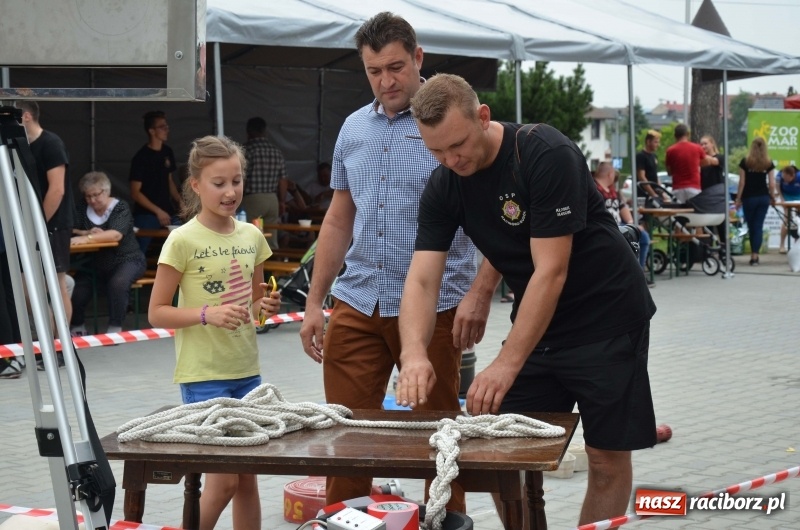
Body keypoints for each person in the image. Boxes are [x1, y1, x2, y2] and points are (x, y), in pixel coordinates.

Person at [395, 73, 657, 526]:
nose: (450, 159)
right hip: (542, 325)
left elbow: (550, 270)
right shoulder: (444, 184)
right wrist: (414, 352)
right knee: (503, 451)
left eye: (456, 145)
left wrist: (506, 363)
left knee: (605, 458)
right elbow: (420, 280)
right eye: (435, 150)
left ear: (483, 116)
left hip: (608, 318)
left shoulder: (543, 153)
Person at [298, 12, 493, 512]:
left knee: (439, 438)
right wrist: (315, 301)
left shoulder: (449, 122)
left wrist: (478, 292)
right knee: (345, 438)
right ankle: (344, 522)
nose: (386, 81)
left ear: (418, 58)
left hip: (437, 305)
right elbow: (340, 219)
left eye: (396, 67)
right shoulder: (353, 128)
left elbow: (489, 214)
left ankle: (445, 523)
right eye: (374, 71)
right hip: (359, 299)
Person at [148, 135, 281, 530]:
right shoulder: (182, 239)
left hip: (248, 374)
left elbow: (255, 309)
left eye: (237, 181)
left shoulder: (252, 236)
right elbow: (157, 312)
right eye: (219, 183)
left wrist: (266, 309)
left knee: (248, 482)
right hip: (204, 377)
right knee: (222, 483)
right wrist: (206, 314)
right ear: (195, 185)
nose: (230, 192)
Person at [17, 101, 72, 368]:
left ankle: (60, 348)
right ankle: (45, 343)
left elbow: (57, 190)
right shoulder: (19, 146)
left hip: (52, 225)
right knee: (28, 287)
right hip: (30, 225)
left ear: (26, 116)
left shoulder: (51, 143)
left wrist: (35, 224)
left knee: (56, 286)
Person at [69, 172, 146, 336]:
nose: (92, 200)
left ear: (106, 191)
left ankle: (115, 327)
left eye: (96, 195)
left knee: (118, 283)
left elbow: (116, 234)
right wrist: (85, 232)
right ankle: (77, 326)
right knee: (78, 287)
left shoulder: (120, 207)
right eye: (88, 196)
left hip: (127, 259)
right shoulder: (83, 208)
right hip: (94, 262)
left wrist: (88, 238)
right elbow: (71, 229)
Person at [129, 110, 182, 255]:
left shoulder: (167, 151)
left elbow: (169, 179)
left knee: (184, 241)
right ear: (151, 131)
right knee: (140, 250)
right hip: (146, 214)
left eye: (167, 126)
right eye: (162, 126)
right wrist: (157, 211)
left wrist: (179, 200)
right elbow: (135, 192)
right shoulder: (141, 158)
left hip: (168, 211)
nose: (167, 129)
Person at [593, 162, 654, 287]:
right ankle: (631, 276)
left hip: (617, 226)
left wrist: (632, 223)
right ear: (610, 174)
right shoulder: (594, 189)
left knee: (642, 236)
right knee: (628, 239)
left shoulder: (612, 191)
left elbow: (622, 207)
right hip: (604, 229)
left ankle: (638, 273)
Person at [241, 116, 287, 250]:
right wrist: (282, 201)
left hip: (253, 198)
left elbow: (240, 177)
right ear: (265, 131)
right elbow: (283, 179)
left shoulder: (246, 150)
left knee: (251, 237)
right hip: (272, 199)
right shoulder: (276, 151)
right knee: (271, 238)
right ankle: (271, 268)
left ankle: (254, 269)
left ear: (248, 132)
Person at [736, 137, 776, 265]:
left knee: (751, 226)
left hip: (749, 197)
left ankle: (753, 255)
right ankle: (755, 255)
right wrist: (773, 197)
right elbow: (772, 184)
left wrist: (738, 199)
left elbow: (742, 183)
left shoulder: (745, 162)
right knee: (758, 225)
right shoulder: (768, 163)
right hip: (763, 197)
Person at [665, 123, 718, 203]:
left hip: (677, 188)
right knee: (695, 213)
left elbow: (669, 172)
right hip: (694, 187)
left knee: (678, 213)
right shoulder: (696, 148)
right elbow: (706, 162)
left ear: (675, 135)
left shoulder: (670, 151)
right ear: (688, 134)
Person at [699, 135, 727, 245]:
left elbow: (714, 161)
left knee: (721, 223)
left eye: (705, 143)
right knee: (707, 224)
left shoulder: (720, 157)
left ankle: (724, 247)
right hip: (705, 194)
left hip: (717, 194)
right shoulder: (702, 161)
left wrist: (699, 155)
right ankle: (708, 248)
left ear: (712, 144)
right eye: (701, 144)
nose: (703, 146)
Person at [776, 165, 800, 253]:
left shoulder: (799, 176)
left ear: (792, 176)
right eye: (784, 177)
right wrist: (781, 198)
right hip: (787, 196)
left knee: (799, 219)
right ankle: (782, 245)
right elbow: (777, 187)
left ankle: (797, 242)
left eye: (786, 179)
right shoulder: (779, 176)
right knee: (786, 219)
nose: (785, 180)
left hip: (798, 195)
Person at [636, 129, 663, 200]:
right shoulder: (641, 156)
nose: (658, 145)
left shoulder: (654, 156)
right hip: (644, 195)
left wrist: (662, 192)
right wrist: (652, 194)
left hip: (655, 193)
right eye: (656, 142)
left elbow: (655, 175)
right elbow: (642, 177)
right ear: (648, 142)